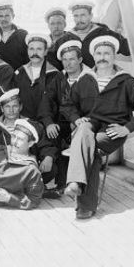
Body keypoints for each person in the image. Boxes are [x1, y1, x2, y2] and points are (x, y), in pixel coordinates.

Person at [61, 36, 134, 219]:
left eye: (107, 53)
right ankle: (82, 199)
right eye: (99, 53)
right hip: (89, 126)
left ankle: (77, 187)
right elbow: (67, 105)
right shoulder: (85, 80)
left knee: (87, 146)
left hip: (112, 131)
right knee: (86, 136)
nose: (102, 57)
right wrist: (76, 119)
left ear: (114, 56)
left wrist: (127, 128)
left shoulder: (127, 82)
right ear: (93, 56)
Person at [0, 89, 60, 198]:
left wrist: (48, 157)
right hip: (6, 170)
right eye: (7, 107)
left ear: (20, 107)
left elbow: (45, 145)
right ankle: (33, 190)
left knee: (52, 168)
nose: (11, 110)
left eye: (15, 106)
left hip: (29, 168)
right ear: (2, 109)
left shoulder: (33, 125)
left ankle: (20, 190)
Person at [39, 40, 92, 191]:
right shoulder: (59, 78)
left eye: (72, 59)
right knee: (51, 132)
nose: (68, 64)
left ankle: (77, 182)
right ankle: (60, 182)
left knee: (73, 137)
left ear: (80, 59)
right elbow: (46, 101)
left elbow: (94, 110)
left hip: (85, 124)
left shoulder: (89, 78)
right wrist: (49, 123)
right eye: (65, 60)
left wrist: (77, 122)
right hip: (64, 122)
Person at [57, 0, 130, 68]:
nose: (79, 19)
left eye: (83, 15)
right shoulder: (67, 38)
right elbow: (53, 60)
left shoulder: (104, 33)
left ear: (90, 16)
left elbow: (128, 48)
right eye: (76, 16)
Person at [13, 33, 59, 121]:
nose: (35, 53)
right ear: (27, 51)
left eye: (39, 49)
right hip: (23, 121)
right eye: (31, 49)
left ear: (46, 51)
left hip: (47, 123)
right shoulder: (19, 73)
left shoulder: (54, 75)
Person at [0, 0, 29, 70]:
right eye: (1, 16)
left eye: (7, 15)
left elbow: (28, 59)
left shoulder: (23, 35)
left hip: (19, 74)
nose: (3, 19)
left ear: (13, 16)